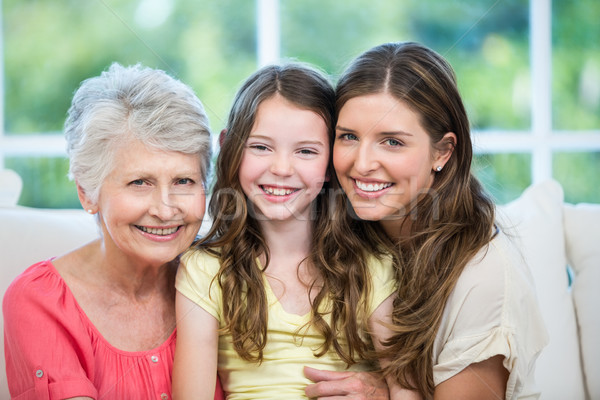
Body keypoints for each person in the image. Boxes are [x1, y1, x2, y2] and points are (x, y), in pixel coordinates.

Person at [305, 42, 548, 400]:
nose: (362, 163)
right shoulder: (347, 231)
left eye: (392, 142)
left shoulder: (483, 277)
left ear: (443, 152)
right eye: (349, 137)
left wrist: (386, 393)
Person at [172, 63, 406, 399]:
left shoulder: (371, 265)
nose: (281, 168)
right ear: (230, 148)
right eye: (261, 147)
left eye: (306, 151)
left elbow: (406, 390)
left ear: (330, 164)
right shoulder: (205, 268)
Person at [3, 63, 224, 400]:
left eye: (184, 181)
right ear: (87, 193)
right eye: (140, 182)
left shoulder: (226, 278)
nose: (165, 210)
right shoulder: (41, 302)